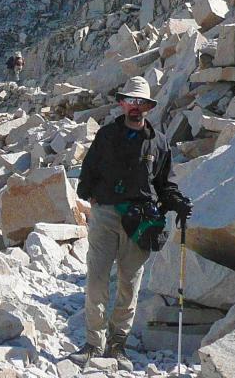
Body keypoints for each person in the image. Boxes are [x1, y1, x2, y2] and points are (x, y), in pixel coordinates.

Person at [69, 76, 191, 370]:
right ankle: (92, 343)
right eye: (130, 101)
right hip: (107, 214)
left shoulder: (159, 142)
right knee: (97, 278)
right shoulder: (107, 135)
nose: (135, 107)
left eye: (141, 103)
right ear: (123, 103)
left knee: (130, 284)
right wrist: (89, 195)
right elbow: (89, 169)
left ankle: (117, 344)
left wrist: (178, 202)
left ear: (148, 107)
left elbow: (165, 183)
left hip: (140, 221)